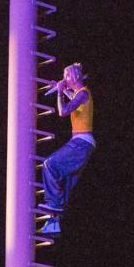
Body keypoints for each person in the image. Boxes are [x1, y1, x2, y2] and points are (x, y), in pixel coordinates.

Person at [37, 63, 95, 235]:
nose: (64, 79)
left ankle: (53, 205)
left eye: (66, 76)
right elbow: (74, 99)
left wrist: (60, 93)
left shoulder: (83, 92)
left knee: (50, 164)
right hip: (83, 145)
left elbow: (63, 111)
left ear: (73, 77)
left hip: (81, 143)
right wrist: (60, 88)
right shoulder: (80, 94)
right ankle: (54, 223)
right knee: (64, 183)